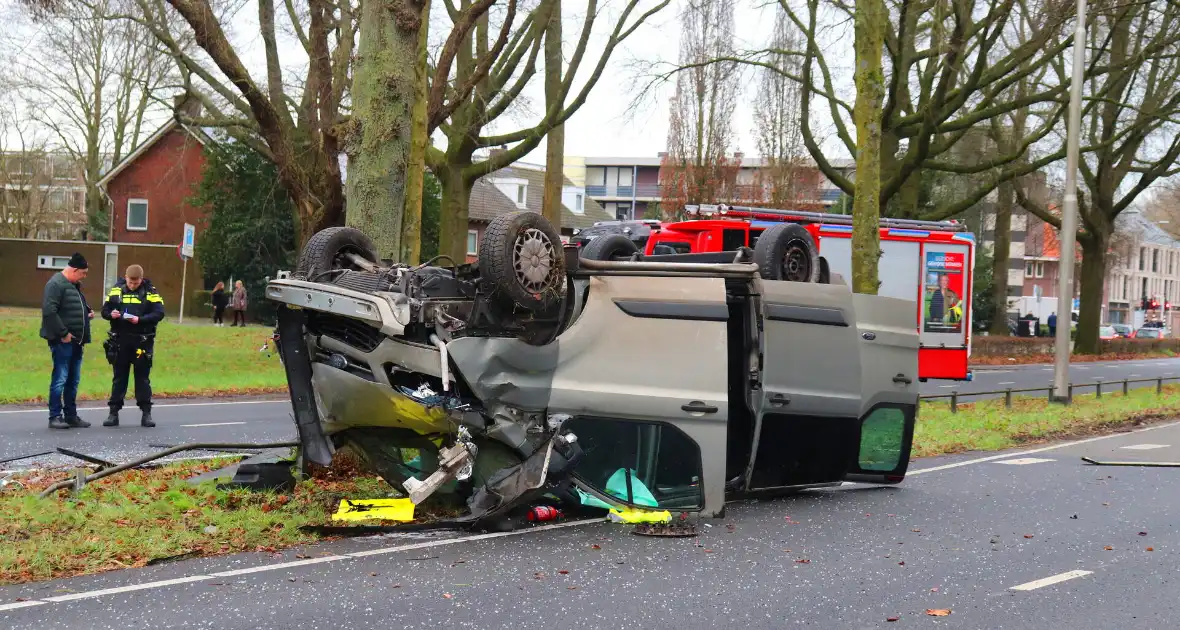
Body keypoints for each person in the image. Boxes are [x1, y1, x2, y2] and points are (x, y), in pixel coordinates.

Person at [100, 264, 165, 428]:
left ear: (141, 280)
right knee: (119, 378)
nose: (132, 285)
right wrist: (111, 314)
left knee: (142, 378)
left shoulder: (150, 292)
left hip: (142, 341)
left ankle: (146, 414)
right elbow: (104, 310)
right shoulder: (116, 290)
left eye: (136, 283)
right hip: (120, 340)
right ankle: (113, 413)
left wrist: (140, 320)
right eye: (130, 282)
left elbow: (159, 313)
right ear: (126, 277)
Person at [40, 253, 96, 430]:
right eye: (83, 273)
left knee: (73, 380)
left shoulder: (73, 285)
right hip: (63, 341)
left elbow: (71, 307)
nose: (84, 277)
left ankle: (71, 415)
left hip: (77, 341)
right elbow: (49, 311)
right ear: (74, 270)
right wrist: (63, 333)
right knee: (60, 379)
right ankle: (55, 416)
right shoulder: (56, 284)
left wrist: (87, 314)